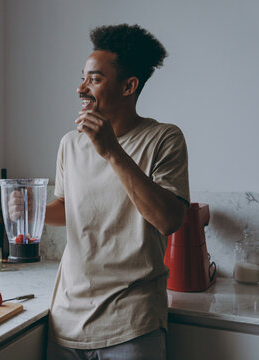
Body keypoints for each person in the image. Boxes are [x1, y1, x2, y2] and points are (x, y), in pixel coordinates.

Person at [44, 24, 190, 359]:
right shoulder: (70, 144)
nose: (81, 87)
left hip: (133, 324)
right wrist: (29, 208)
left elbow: (168, 220)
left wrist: (111, 151)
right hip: (66, 320)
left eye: (94, 79)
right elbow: (68, 208)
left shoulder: (164, 139)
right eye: (83, 77)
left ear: (129, 86)